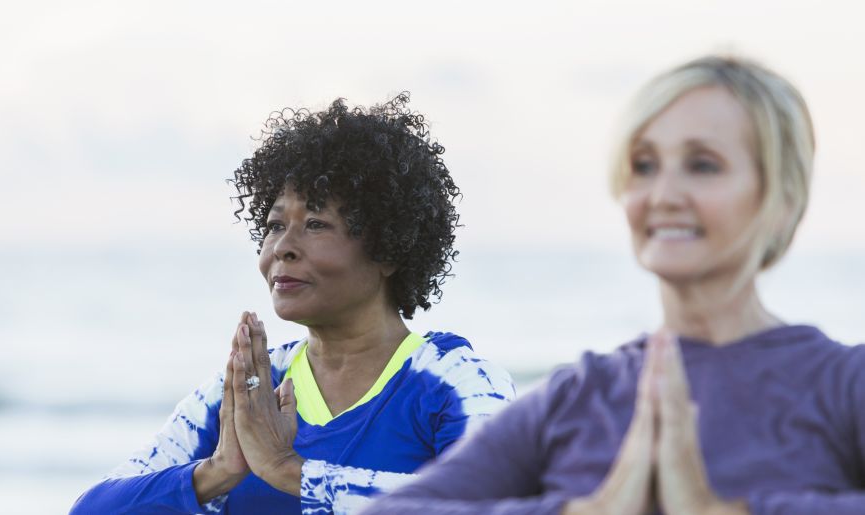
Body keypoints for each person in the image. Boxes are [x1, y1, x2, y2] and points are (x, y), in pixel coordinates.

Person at [363, 57, 865, 515]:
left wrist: (724, 511)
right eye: (644, 166)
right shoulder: (579, 394)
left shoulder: (843, 383)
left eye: (703, 165)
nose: (664, 194)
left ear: (781, 198)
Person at [70, 93, 515, 515]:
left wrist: (290, 471)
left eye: (317, 224)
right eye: (275, 224)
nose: (282, 246)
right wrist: (217, 471)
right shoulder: (248, 394)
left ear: (389, 250)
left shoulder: (455, 381)